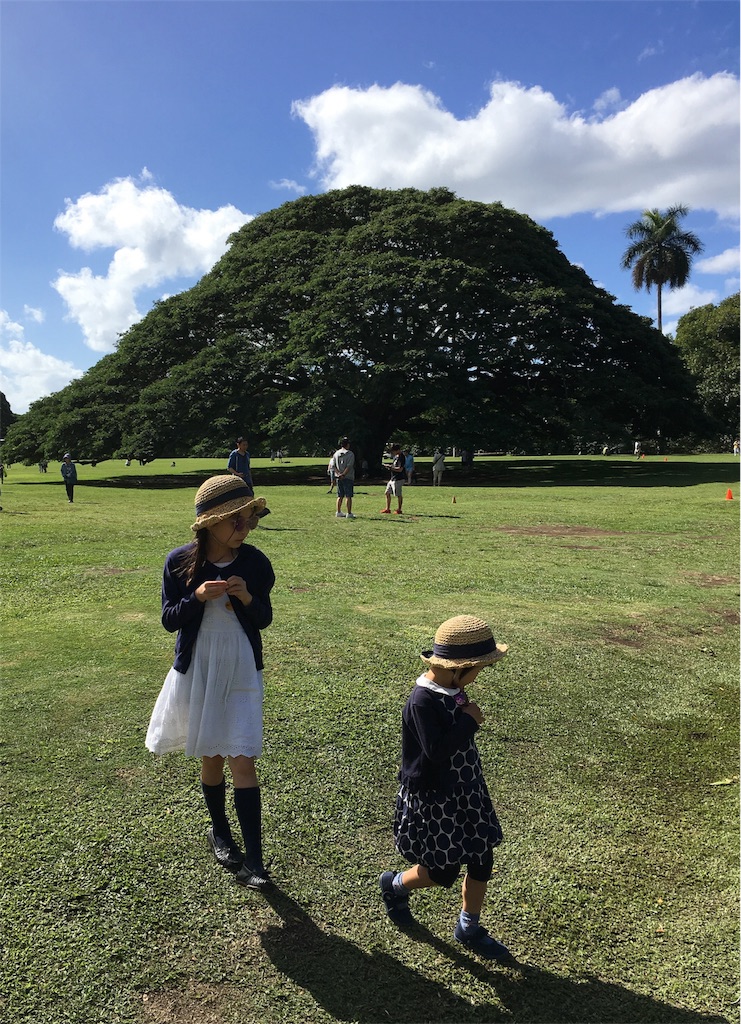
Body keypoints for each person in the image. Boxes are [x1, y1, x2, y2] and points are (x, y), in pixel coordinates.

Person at [145, 475, 275, 890]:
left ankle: (255, 861)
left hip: (240, 666)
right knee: (212, 756)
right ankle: (220, 832)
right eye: (236, 520)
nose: (244, 527)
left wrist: (247, 598)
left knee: (242, 757)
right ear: (210, 524)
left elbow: (264, 618)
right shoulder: (180, 562)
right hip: (199, 665)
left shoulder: (255, 563)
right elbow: (170, 620)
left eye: (249, 519)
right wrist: (197, 597)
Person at [379, 614, 511, 961]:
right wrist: (469, 721)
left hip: (467, 787)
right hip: (436, 797)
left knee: (482, 857)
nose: (479, 675)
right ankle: (394, 885)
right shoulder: (422, 701)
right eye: (478, 668)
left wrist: (465, 715)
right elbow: (435, 751)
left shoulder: (453, 689)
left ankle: (469, 926)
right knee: (442, 870)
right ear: (459, 668)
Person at [330, 437, 355, 519]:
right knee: (348, 496)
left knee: (340, 495)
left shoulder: (336, 453)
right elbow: (349, 466)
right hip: (348, 477)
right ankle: (349, 513)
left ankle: (338, 512)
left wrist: (338, 474)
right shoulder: (350, 454)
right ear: (347, 444)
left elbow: (333, 466)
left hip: (339, 477)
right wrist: (343, 474)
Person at [381, 444, 405, 514]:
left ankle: (399, 509)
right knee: (387, 493)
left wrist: (391, 468)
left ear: (397, 450)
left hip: (398, 478)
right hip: (393, 478)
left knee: (398, 494)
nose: (392, 453)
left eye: (393, 451)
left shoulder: (401, 457)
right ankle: (387, 509)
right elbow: (394, 466)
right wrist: (389, 466)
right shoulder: (395, 457)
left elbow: (400, 469)